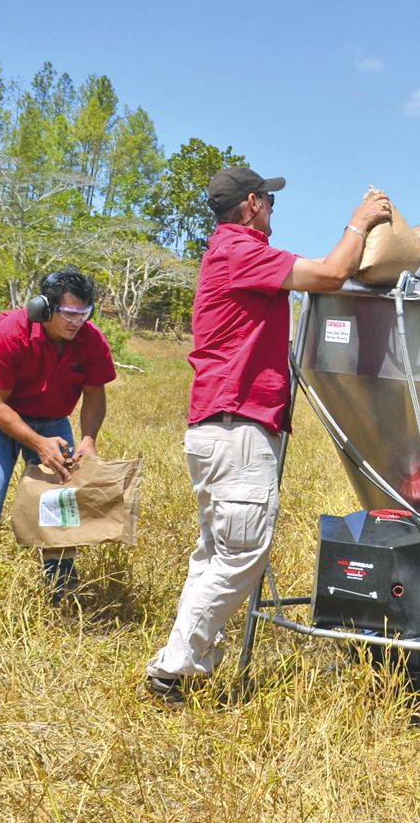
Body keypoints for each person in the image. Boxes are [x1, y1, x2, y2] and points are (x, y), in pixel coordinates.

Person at [144, 165, 392, 705]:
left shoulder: (228, 253)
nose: (274, 210)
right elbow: (329, 274)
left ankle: (188, 670)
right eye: (271, 202)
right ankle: (173, 666)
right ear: (253, 204)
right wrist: (360, 221)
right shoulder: (239, 251)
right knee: (242, 554)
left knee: (215, 555)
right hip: (237, 427)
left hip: (222, 427)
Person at [0, 267, 115, 602]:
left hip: (53, 419)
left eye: (83, 314)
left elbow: (95, 393)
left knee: (60, 504)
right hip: (1, 419)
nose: (75, 322)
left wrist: (88, 440)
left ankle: (61, 589)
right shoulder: (9, 332)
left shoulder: (91, 339)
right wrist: (39, 444)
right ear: (44, 308)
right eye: (68, 314)